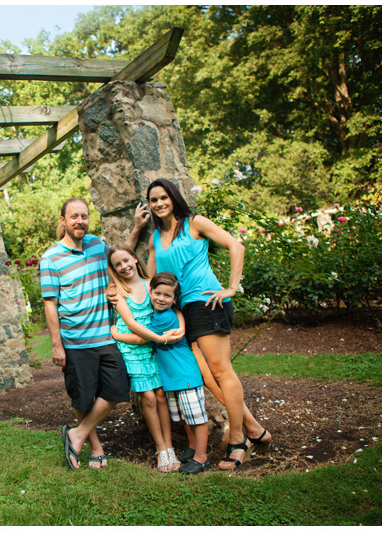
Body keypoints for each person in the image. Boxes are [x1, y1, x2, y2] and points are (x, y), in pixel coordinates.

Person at [128, 178, 271, 470]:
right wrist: (135, 234)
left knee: (220, 371)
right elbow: (150, 278)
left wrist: (231, 288)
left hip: (207, 304)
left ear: (174, 197)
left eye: (163, 197)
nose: (158, 204)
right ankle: (255, 429)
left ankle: (238, 438)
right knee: (205, 376)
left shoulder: (194, 223)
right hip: (184, 312)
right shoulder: (155, 238)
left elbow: (236, 245)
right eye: (153, 200)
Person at [40, 197, 131, 470]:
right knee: (82, 397)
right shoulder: (50, 258)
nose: (80, 221)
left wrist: (137, 228)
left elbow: (122, 256)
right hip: (75, 342)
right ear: (63, 221)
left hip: (105, 336)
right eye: (74, 217)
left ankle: (76, 433)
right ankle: (95, 446)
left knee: (117, 389)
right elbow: (50, 304)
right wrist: (57, 345)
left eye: (84, 216)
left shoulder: (96, 246)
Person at [113, 272, 211, 474]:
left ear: (174, 299)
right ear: (151, 291)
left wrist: (116, 334)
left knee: (196, 417)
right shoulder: (164, 313)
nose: (160, 298)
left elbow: (142, 338)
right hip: (171, 377)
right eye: (157, 293)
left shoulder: (163, 319)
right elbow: (177, 313)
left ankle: (202, 458)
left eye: (167, 296)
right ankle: (193, 448)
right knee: (185, 416)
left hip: (184, 374)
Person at [106, 243, 181, 472]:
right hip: (133, 347)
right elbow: (131, 325)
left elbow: (172, 307)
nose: (124, 266)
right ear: (113, 269)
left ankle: (170, 448)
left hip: (152, 347)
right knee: (147, 397)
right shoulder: (118, 291)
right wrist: (157, 339)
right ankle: (160, 449)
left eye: (126, 260)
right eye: (118, 264)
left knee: (161, 396)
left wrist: (180, 329)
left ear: (135, 259)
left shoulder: (152, 285)